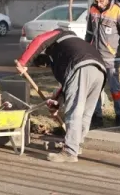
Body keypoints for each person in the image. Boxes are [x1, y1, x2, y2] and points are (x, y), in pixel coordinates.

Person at [15, 28, 106, 163]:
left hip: (81, 67)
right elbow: (68, 86)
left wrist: (23, 62)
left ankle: (70, 151)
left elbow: (39, 40)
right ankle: (76, 144)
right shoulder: (71, 48)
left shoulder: (60, 34)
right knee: (86, 113)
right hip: (100, 71)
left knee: (74, 111)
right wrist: (56, 103)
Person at [84, 0, 120, 128]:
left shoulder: (118, 11)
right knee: (95, 88)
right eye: (96, 1)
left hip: (112, 59)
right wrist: (86, 50)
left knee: (115, 89)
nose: (99, 4)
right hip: (95, 56)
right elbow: (89, 33)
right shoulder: (93, 9)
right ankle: (97, 116)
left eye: (101, 0)